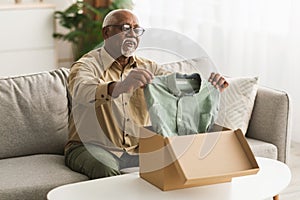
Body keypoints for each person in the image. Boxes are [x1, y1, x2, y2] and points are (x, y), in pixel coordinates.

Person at [64, 9, 229, 179]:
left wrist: (207, 87)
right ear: (107, 33)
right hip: (90, 146)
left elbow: (174, 85)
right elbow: (82, 90)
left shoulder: (149, 67)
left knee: (186, 161)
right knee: (105, 169)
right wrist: (120, 86)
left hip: (136, 148)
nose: (132, 35)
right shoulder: (86, 65)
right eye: (125, 28)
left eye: (137, 30)